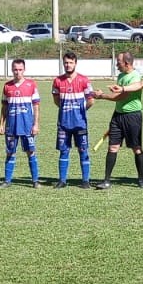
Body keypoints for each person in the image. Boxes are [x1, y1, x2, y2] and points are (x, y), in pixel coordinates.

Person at [96, 50, 143, 189]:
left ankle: (141, 180)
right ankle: (106, 180)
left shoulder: (135, 76)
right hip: (118, 116)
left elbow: (121, 97)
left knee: (136, 148)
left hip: (132, 117)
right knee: (113, 147)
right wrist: (114, 118)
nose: (116, 65)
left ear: (126, 63)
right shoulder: (120, 76)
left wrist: (102, 96)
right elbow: (119, 101)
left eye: (118, 62)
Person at [52, 51, 95, 188]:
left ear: (75, 63)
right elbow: (56, 100)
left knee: (83, 150)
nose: (68, 65)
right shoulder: (57, 81)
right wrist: (67, 109)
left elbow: (91, 101)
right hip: (64, 123)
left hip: (80, 123)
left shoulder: (84, 80)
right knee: (64, 151)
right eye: (66, 62)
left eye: (71, 62)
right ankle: (62, 180)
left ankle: (85, 181)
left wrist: (80, 110)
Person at [0, 58, 42, 187]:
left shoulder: (31, 85)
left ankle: (35, 181)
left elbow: (36, 106)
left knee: (31, 152)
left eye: (20, 70)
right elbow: (4, 107)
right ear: (12, 70)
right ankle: (7, 181)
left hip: (27, 125)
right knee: (10, 152)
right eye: (15, 70)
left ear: (24, 70)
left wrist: (36, 124)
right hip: (11, 126)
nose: (17, 72)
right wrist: (1, 124)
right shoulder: (7, 86)